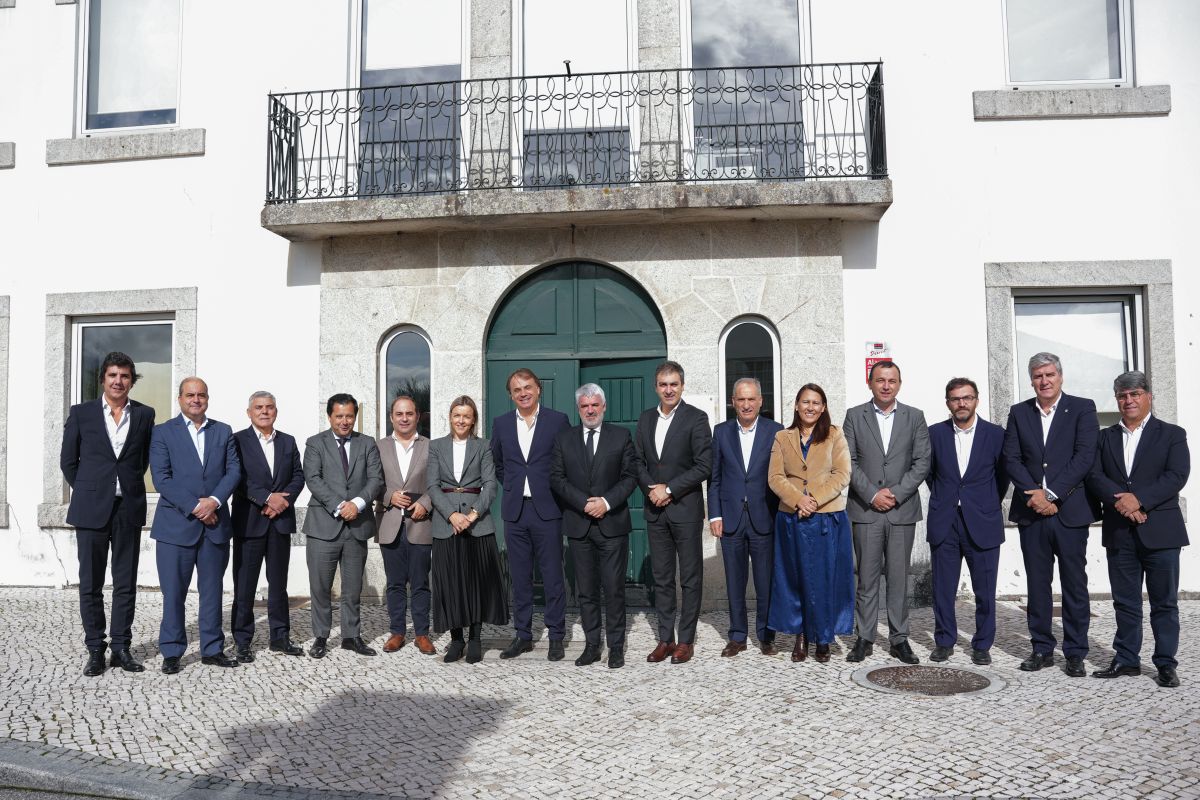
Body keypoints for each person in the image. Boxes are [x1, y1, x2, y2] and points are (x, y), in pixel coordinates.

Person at [1086, 371, 1189, 688]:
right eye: (1122, 395)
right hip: (1120, 532)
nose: (1128, 400)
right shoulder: (1105, 437)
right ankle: (1127, 659)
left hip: (1161, 531)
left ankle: (1165, 664)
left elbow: (1176, 475)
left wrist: (1140, 501)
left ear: (1148, 396)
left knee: (1164, 603)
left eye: (1135, 394)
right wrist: (1124, 504)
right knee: (1125, 601)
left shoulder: (1171, 434)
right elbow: (1093, 474)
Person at [1003, 352, 1100, 677]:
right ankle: (1041, 648)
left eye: (1049, 375)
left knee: (1074, 584)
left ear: (1060, 376)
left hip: (1069, 512)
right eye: (1037, 376)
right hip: (1033, 513)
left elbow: (1084, 456)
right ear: (1031, 380)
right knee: (1038, 585)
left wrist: (1053, 494)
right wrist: (1035, 493)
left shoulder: (1083, 408)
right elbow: (1011, 457)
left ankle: (1074, 652)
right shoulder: (1019, 412)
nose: (1044, 381)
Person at [60, 351, 155, 676]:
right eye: (113, 375)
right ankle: (95, 649)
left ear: (131, 380)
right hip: (91, 510)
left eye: (125, 376)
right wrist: (90, 489)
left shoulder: (144, 415)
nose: (118, 381)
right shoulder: (82, 413)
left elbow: (141, 460)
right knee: (91, 583)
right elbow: (68, 461)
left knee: (126, 583)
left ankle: (121, 648)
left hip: (127, 508)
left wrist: (121, 486)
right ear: (103, 378)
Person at [150, 377, 242, 674]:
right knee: (174, 592)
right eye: (190, 395)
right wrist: (196, 506)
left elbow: (233, 471)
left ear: (207, 399)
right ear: (180, 399)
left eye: (201, 395)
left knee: (212, 590)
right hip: (176, 526)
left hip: (214, 525)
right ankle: (173, 650)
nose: (196, 399)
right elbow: (162, 478)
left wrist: (213, 501)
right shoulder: (163, 432)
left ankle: (212, 648)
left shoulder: (223, 431)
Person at [842, 360, 930, 664]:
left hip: (901, 509)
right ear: (870, 382)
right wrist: (871, 494)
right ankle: (864, 638)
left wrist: (895, 493)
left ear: (899, 384)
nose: (886, 385)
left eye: (892, 380)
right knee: (866, 579)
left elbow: (922, 462)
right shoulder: (855, 416)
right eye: (880, 380)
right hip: (865, 510)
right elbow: (848, 460)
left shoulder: (915, 417)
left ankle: (899, 639)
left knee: (898, 578)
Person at [549, 383, 639, 669]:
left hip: (612, 524)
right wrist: (584, 503)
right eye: (585, 406)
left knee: (613, 589)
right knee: (586, 590)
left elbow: (630, 477)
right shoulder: (564, 439)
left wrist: (606, 502)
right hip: (579, 525)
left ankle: (615, 647)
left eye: (595, 405)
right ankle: (591, 645)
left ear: (604, 407)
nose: (590, 410)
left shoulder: (621, 436)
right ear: (579, 409)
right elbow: (557, 478)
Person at [767, 384, 853, 663]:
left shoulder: (834, 435)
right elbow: (775, 477)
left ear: (824, 407)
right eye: (805, 402)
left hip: (826, 518)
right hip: (791, 518)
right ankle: (801, 635)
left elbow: (842, 474)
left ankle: (823, 638)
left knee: (825, 579)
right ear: (796, 405)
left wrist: (813, 499)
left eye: (817, 402)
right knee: (795, 579)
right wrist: (798, 501)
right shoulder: (782, 437)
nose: (811, 407)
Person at [634, 360, 713, 665]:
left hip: (685, 509)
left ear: (682, 386)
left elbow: (704, 465)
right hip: (655, 511)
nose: (669, 390)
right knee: (662, 577)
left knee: (690, 577)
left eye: (674, 384)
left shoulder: (696, 419)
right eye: (663, 384)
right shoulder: (644, 420)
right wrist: (652, 489)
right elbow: (636, 461)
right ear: (656, 387)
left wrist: (668, 489)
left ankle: (686, 640)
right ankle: (665, 638)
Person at [925, 378, 1008, 666]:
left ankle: (982, 644)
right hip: (945, 520)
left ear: (977, 399)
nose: (962, 403)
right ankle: (944, 641)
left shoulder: (996, 435)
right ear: (947, 403)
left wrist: (983, 502)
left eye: (967, 397)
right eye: (955, 399)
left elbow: (1003, 476)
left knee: (985, 590)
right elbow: (929, 474)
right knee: (943, 589)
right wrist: (947, 498)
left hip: (982, 520)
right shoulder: (934, 434)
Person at [490, 368, 570, 661]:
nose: (523, 393)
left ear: (538, 389)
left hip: (547, 509)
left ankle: (557, 636)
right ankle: (522, 634)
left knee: (552, 576)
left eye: (527, 387)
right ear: (511, 395)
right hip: (515, 510)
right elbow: (497, 462)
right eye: (516, 390)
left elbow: (566, 460)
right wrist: (511, 485)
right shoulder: (500, 424)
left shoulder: (557, 421)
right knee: (520, 577)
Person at [302, 393, 384, 659]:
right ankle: (321, 637)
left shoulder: (367, 444)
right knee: (320, 587)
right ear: (330, 417)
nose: (345, 421)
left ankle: (351, 636)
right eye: (339, 416)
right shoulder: (315, 443)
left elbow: (376, 479)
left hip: (356, 526)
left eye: (349, 415)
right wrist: (340, 505)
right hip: (324, 526)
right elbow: (313, 479)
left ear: (355, 416)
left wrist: (357, 504)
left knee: (352, 588)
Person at [427, 396, 508, 664]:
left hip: (478, 525)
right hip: (445, 524)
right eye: (456, 415)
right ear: (450, 417)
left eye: (467, 416)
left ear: (474, 420)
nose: (461, 420)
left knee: (477, 583)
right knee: (451, 583)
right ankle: (456, 639)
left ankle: (475, 638)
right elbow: (432, 486)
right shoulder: (436, 447)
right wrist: (452, 515)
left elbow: (490, 485)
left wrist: (471, 516)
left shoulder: (483, 446)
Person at [708, 378, 783, 657]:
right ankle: (737, 636)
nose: (746, 404)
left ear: (761, 401)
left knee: (766, 582)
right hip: (731, 519)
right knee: (734, 582)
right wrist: (714, 514)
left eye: (751, 399)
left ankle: (766, 636)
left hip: (765, 517)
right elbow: (713, 479)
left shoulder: (776, 432)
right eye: (741, 399)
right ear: (733, 402)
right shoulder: (721, 432)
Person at [230, 391, 306, 662]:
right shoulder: (237, 441)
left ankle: (280, 636)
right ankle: (242, 640)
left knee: (279, 584)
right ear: (249, 412)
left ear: (276, 411)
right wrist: (265, 498)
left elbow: (298, 476)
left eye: (269, 407)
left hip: (279, 523)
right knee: (245, 586)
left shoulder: (287, 441)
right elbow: (235, 477)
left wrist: (282, 502)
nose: (264, 411)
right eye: (259, 407)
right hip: (249, 523)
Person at [376, 395, 436, 656]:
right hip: (389, 523)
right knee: (395, 583)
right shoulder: (377, 447)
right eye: (399, 414)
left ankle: (422, 633)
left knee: (421, 583)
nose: (404, 418)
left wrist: (426, 502)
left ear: (417, 416)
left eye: (409, 413)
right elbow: (371, 482)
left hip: (420, 523)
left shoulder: (431, 447)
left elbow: (438, 481)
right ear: (391, 417)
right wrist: (389, 496)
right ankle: (397, 632)